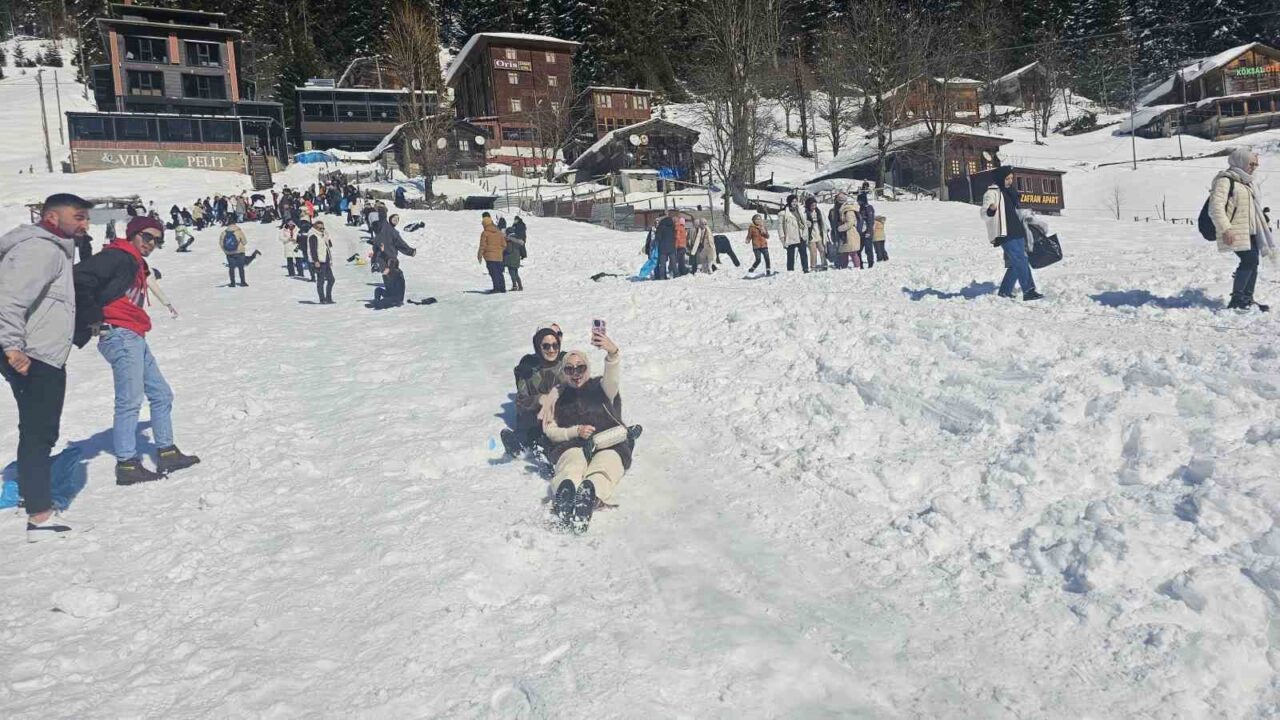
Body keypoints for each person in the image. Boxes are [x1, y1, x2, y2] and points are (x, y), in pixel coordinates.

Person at [73, 216, 201, 486]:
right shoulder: (118, 255)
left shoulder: (133, 260)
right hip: (119, 334)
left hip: (133, 333)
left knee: (161, 394)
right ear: (133, 234)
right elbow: (80, 276)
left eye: (157, 240)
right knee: (129, 401)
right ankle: (127, 464)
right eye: (147, 237)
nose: (152, 243)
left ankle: (166, 451)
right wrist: (94, 316)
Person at [0, 193, 92, 541]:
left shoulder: (50, 249)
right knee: (40, 432)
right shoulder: (41, 249)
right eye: (79, 217)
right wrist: (12, 346)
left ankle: (33, 496)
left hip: (39, 351)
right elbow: (8, 298)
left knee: (36, 429)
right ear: (53, 218)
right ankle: (39, 516)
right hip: (34, 354)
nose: (85, 225)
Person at [543, 328, 631, 532]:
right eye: (570, 369)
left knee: (605, 466)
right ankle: (566, 495)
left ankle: (590, 497)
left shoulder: (602, 388)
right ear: (564, 373)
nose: (576, 374)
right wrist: (574, 432)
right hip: (573, 445)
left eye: (580, 368)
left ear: (587, 369)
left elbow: (613, 378)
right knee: (571, 465)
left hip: (609, 443)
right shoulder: (557, 396)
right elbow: (551, 430)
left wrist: (612, 354)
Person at [1211, 148, 1270, 311]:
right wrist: (1226, 229)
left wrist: (1262, 219)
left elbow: (1249, 207)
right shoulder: (1225, 180)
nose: (1254, 167)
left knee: (1254, 261)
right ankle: (1237, 299)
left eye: (1256, 164)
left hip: (1250, 230)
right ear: (1240, 161)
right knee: (1249, 260)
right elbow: (1215, 208)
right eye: (1251, 163)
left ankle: (1247, 298)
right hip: (1234, 230)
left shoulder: (1246, 181)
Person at [501, 324, 566, 456]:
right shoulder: (528, 367)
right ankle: (525, 445)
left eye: (555, 344)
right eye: (546, 346)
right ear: (538, 346)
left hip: (561, 417)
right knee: (532, 425)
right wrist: (541, 399)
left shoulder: (567, 362)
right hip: (536, 420)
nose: (552, 349)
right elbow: (521, 402)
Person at [983, 166, 1041, 301]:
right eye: (1007, 178)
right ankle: (1029, 291)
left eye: (1011, 178)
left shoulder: (1009, 191)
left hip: (1017, 230)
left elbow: (1016, 206)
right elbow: (984, 212)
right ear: (1000, 178)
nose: (1010, 181)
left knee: (1018, 262)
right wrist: (990, 210)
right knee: (1021, 260)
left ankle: (1004, 291)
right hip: (1005, 233)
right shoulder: (992, 193)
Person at [478, 213, 508, 293]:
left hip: (489, 257)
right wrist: (499, 251)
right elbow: (504, 245)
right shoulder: (498, 232)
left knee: (493, 273)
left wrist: (480, 255)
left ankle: (497, 288)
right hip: (499, 256)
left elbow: (482, 246)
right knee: (499, 273)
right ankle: (502, 288)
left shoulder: (485, 233)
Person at [309, 220, 336, 304]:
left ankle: (328, 297)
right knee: (321, 281)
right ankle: (322, 299)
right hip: (320, 261)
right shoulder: (313, 236)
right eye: (320, 228)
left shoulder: (323, 235)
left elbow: (329, 245)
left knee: (331, 279)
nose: (322, 229)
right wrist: (316, 261)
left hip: (326, 260)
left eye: (323, 228)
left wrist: (327, 237)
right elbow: (312, 250)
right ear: (315, 228)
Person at [781, 194, 808, 273]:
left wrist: (805, 225)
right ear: (789, 202)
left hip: (800, 235)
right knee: (790, 254)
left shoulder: (800, 211)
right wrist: (783, 239)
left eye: (796, 201)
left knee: (803, 253)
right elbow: (780, 227)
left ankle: (805, 268)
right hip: (791, 236)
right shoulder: (783, 213)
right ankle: (790, 270)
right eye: (793, 201)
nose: (794, 203)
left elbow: (802, 221)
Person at [220, 223, 252, 287]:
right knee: (241, 268)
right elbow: (244, 242)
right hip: (239, 252)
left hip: (229, 253)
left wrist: (226, 251)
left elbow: (221, 243)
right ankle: (243, 282)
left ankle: (232, 283)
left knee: (231, 268)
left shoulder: (223, 233)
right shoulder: (239, 231)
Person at [836, 198, 863, 269]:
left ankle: (857, 267)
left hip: (850, 234)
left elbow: (850, 223)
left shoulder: (849, 212)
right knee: (845, 252)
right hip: (847, 234)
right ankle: (844, 267)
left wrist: (840, 228)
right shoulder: (846, 211)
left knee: (852, 252)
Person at [804, 196, 828, 270]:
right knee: (813, 251)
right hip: (811, 235)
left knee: (822, 249)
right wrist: (806, 223)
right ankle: (813, 266)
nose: (814, 207)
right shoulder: (805, 213)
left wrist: (827, 228)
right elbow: (801, 223)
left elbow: (824, 221)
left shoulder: (819, 212)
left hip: (819, 233)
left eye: (815, 205)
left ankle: (824, 264)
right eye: (812, 205)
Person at [505, 216, 526, 291]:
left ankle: (514, 286)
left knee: (512, 273)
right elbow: (521, 247)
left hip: (511, 259)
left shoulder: (509, 241)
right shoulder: (517, 239)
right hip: (516, 258)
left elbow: (509, 250)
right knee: (516, 273)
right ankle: (520, 286)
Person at [654, 209, 677, 280]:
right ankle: (676, 274)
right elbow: (674, 236)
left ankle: (662, 277)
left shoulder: (661, 227)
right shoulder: (672, 226)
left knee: (662, 264)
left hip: (663, 248)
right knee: (673, 262)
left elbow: (658, 238)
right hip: (671, 247)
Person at [857, 193, 877, 269]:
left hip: (867, 232)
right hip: (861, 232)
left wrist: (868, 231)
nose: (858, 202)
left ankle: (870, 264)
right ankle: (860, 264)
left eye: (859, 201)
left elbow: (870, 221)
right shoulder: (861, 208)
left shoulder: (868, 208)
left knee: (868, 249)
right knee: (858, 249)